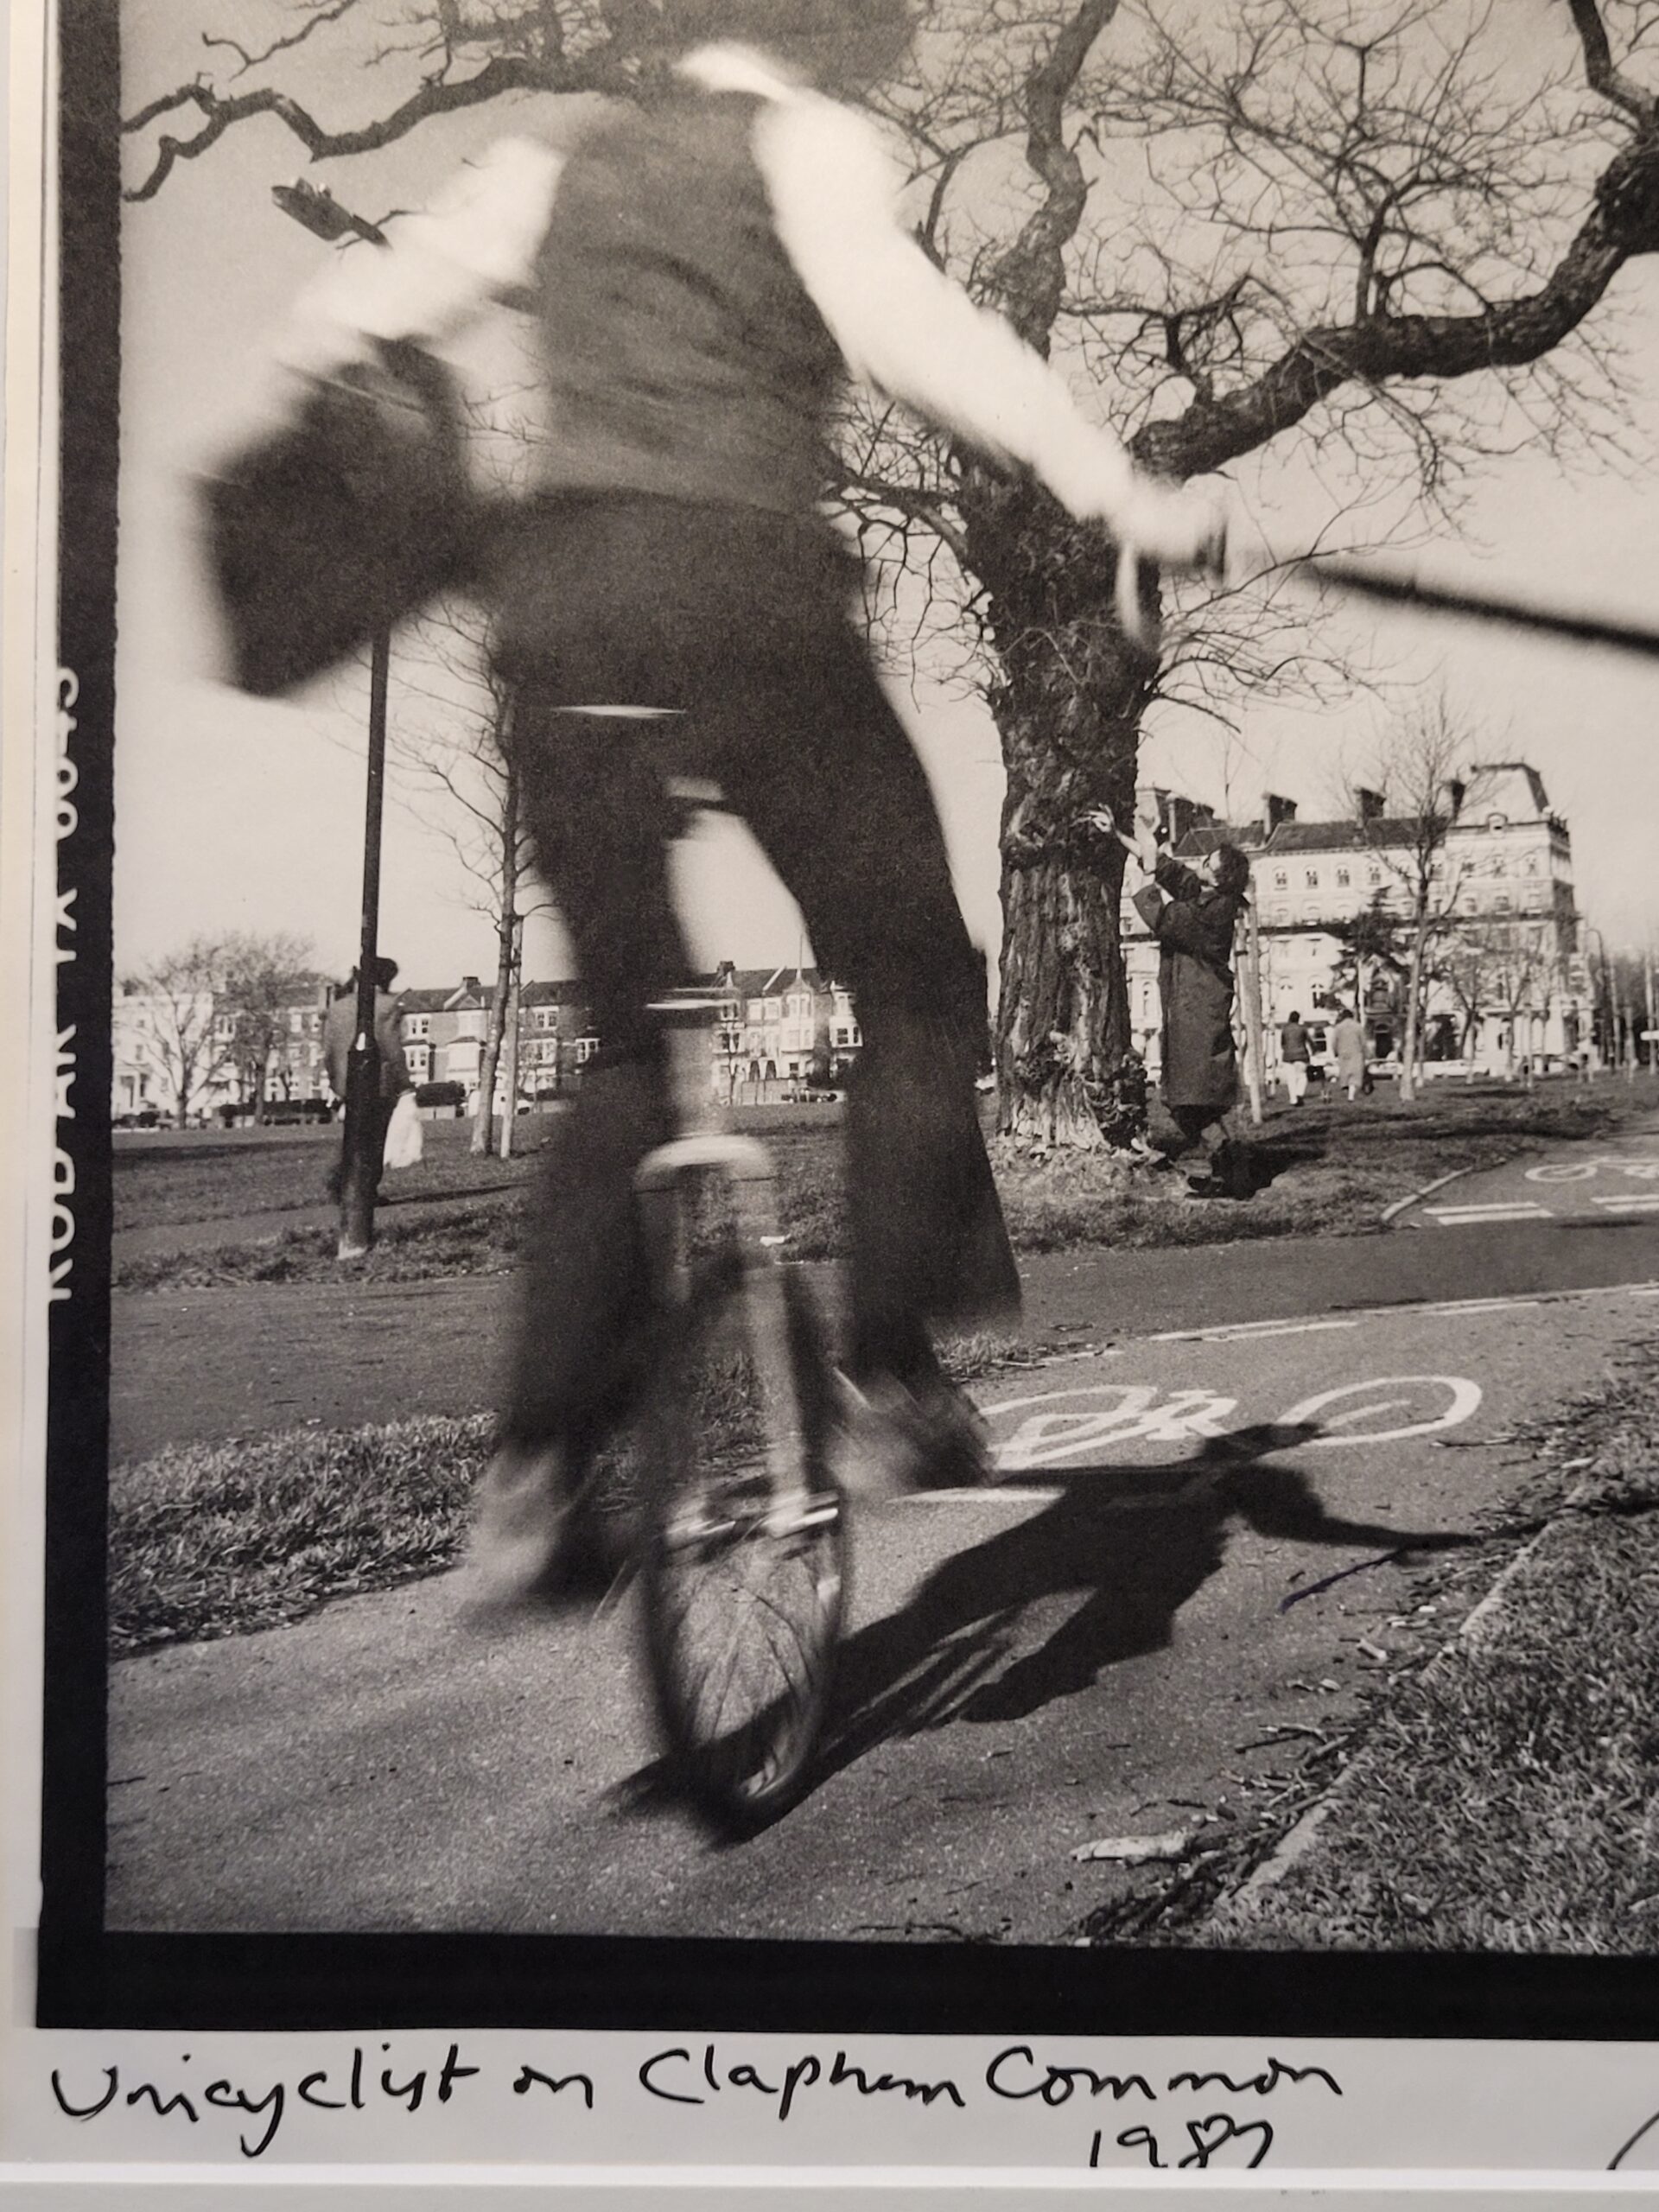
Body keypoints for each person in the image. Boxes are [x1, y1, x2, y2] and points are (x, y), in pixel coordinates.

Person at [283, 0, 1230, 1606]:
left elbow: (357, 310)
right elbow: (919, 333)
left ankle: (535, 1470)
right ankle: (888, 1375)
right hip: (752, 602)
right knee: (915, 976)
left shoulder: (556, 160)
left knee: (630, 1041)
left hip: (563, 617)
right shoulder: (805, 145)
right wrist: (1116, 490)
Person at [1093, 806, 1252, 1194]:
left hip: (1199, 1011)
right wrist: (1120, 835)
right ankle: (1230, 1168)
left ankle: (1230, 1170)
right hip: (1191, 1007)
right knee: (1191, 1098)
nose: (1201, 863)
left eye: (1209, 862)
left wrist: (1145, 879)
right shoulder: (1209, 896)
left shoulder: (1214, 912)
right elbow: (1167, 868)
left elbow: (1162, 917)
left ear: (1221, 877)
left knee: (1189, 1099)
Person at [322, 956, 412, 1200]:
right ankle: (364, 1189)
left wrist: (336, 1082)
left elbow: (328, 1051)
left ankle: (344, 1183)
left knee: (354, 1134)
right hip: (378, 1081)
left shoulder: (337, 1008)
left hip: (346, 1082)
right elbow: (392, 1048)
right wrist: (404, 1082)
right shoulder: (388, 1006)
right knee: (375, 1138)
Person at [1332, 1006, 1367, 1102]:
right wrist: (1365, 1053)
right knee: (1355, 1075)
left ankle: (1347, 1091)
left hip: (1343, 1053)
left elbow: (1334, 1042)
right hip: (1356, 1053)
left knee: (1345, 1074)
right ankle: (1351, 1095)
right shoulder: (1358, 1026)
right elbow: (1363, 1042)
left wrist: (1335, 1052)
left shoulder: (1338, 1027)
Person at [1278, 1008, 1311, 1105]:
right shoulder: (1302, 1029)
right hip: (1301, 1055)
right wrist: (1314, 1049)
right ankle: (1299, 1093)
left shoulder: (1285, 1029)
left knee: (1291, 1078)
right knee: (1302, 1076)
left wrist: (1286, 1049)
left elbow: (1282, 1043)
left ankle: (1293, 1099)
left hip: (1288, 1056)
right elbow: (1309, 1040)